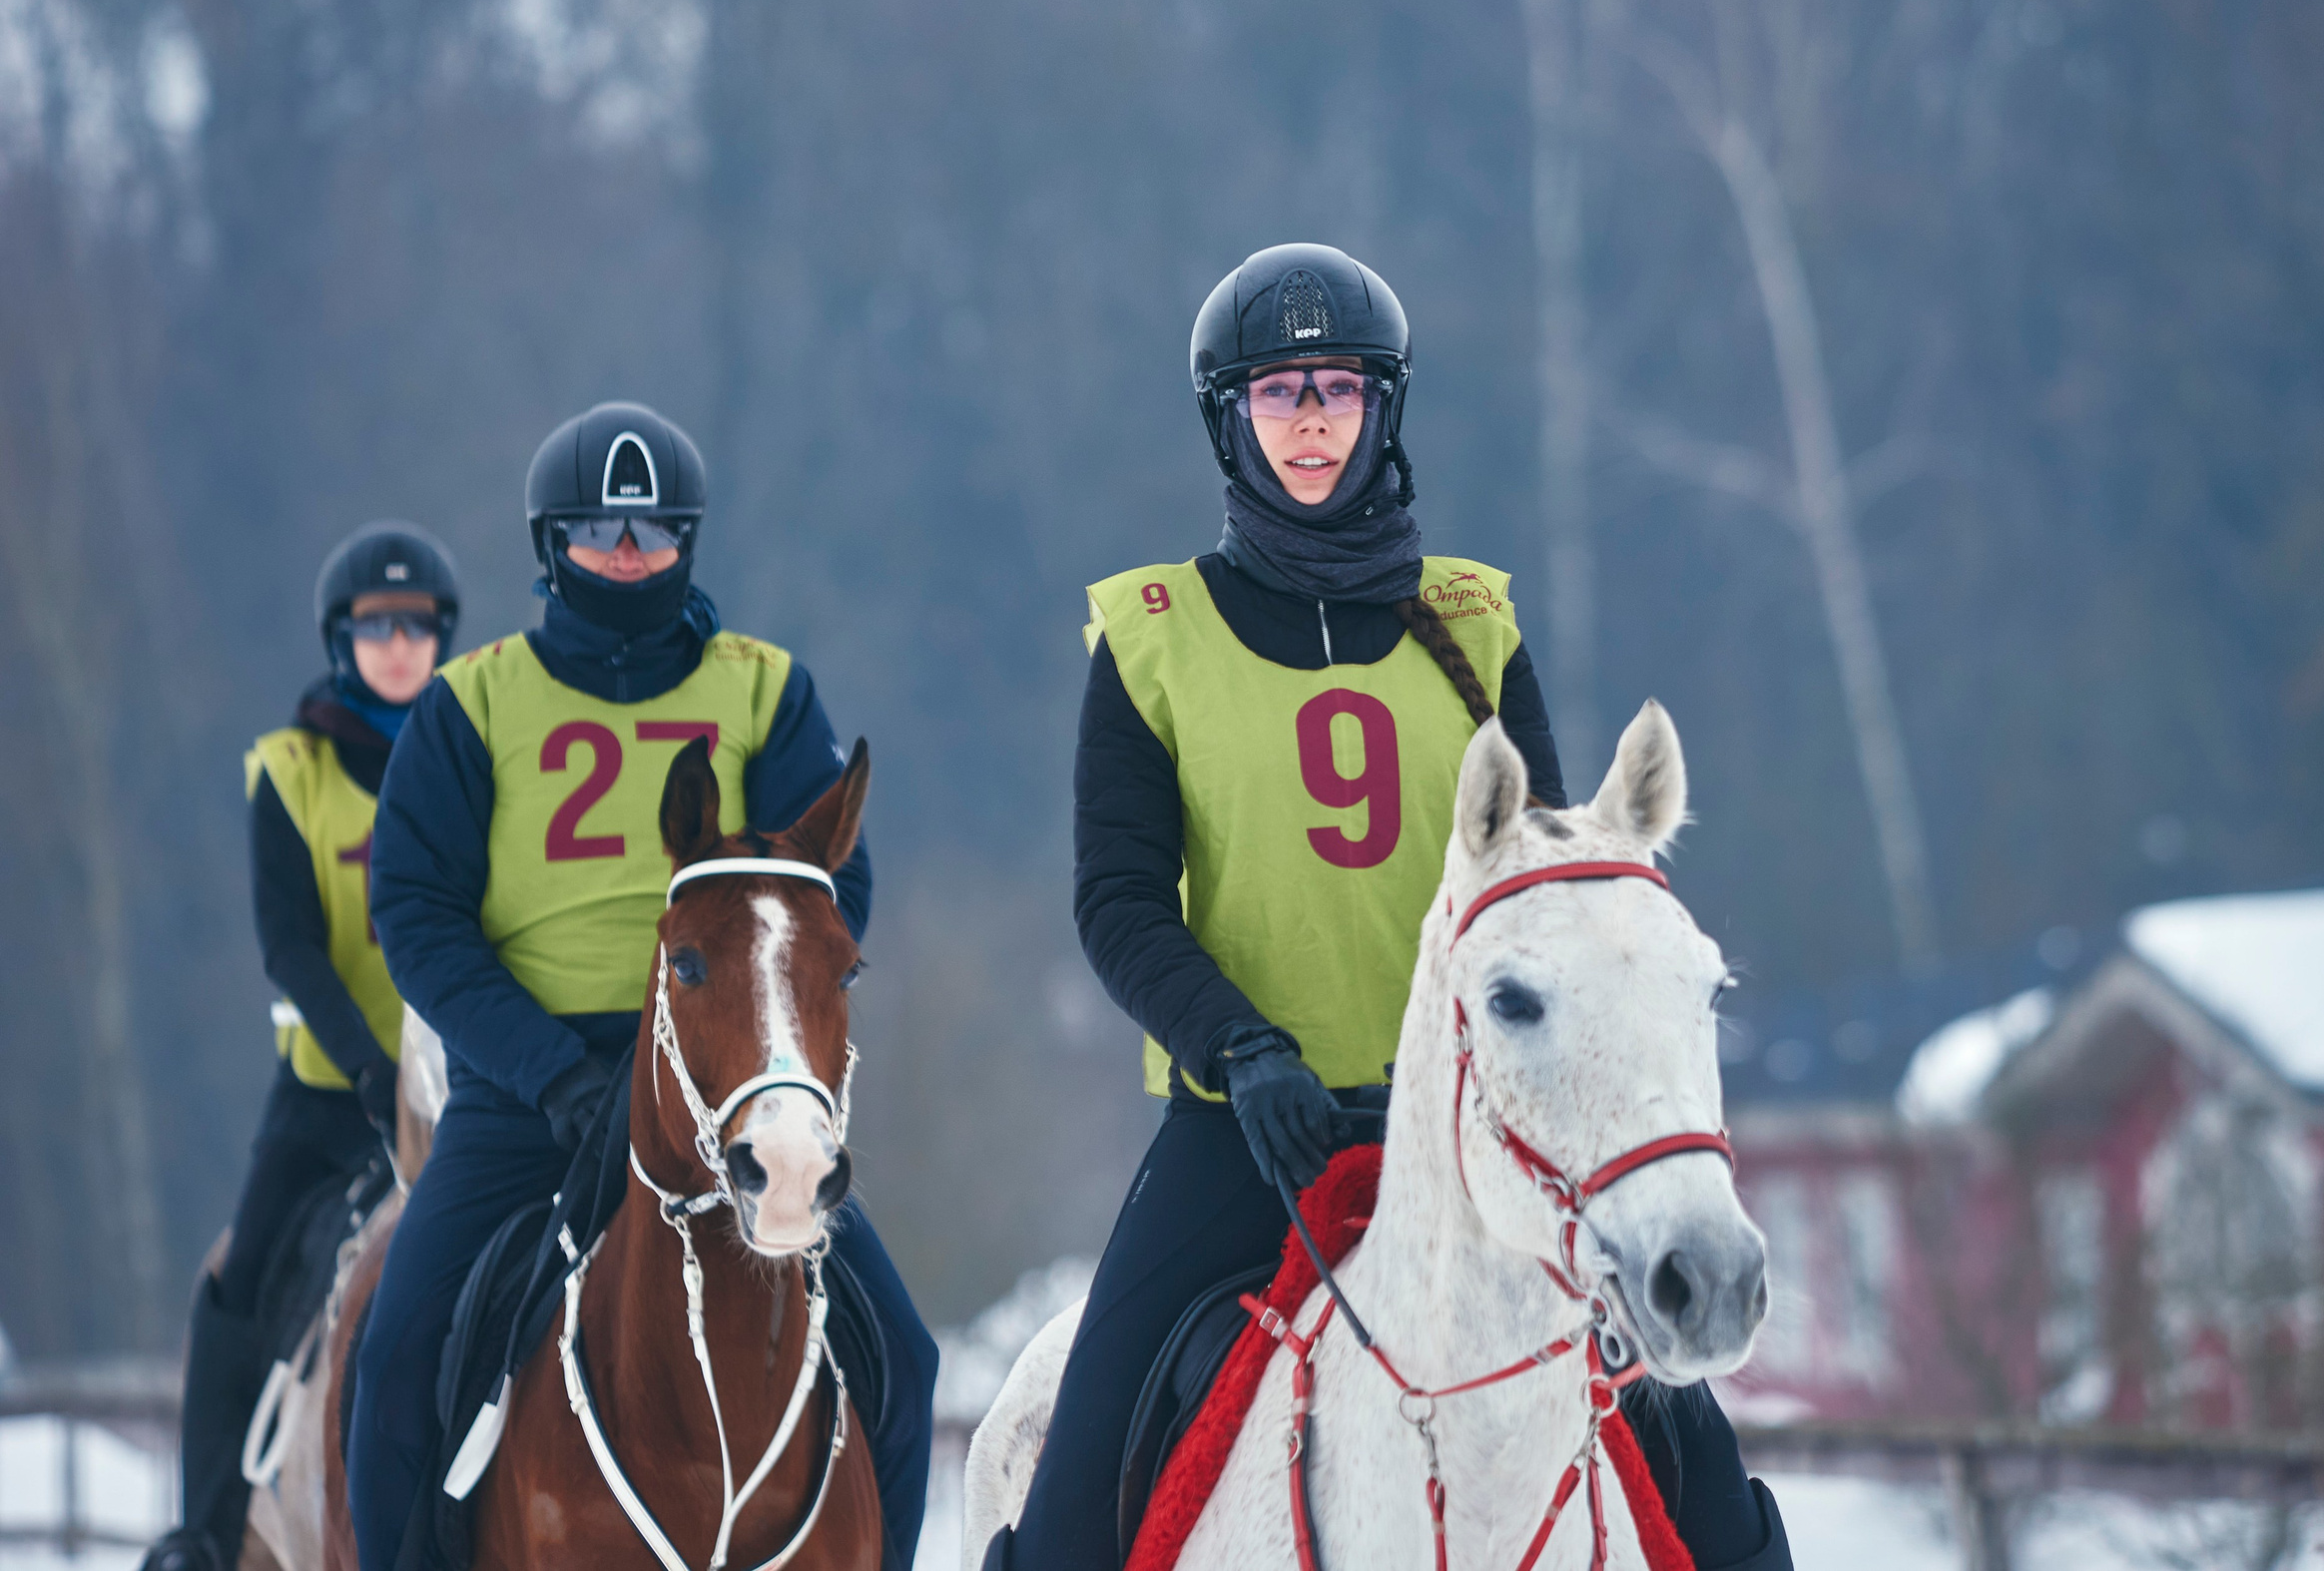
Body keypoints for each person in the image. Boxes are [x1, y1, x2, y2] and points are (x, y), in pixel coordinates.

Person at [995, 245, 1789, 1571]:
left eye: (1340, 388)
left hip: (1484, 1135)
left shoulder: (1473, 626)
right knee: (1072, 1508)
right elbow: (1118, 898)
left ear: (1384, 409)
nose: (1311, 417)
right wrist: (1238, 1048)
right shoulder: (1152, 635)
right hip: (1242, 1134)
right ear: (1229, 419)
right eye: (1277, 390)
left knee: (1708, 1491)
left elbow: (1539, 887)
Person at [345, 403, 937, 1571]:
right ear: (548, 544)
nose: (626, 553)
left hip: (726, 1089)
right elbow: (413, 912)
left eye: (652, 532)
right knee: (399, 1351)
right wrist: (547, 1070)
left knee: (903, 1354)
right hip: (533, 1096)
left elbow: (829, 891)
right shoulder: (471, 707)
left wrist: (745, 1033)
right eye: (599, 530)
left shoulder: (767, 691)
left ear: (688, 543)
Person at [140, 523, 463, 1571]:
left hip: (466, 1087)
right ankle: (201, 1529)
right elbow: (289, 945)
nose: (401, 645)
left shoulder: (479, 765)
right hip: (330, 1096)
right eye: (378, 627)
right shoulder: (288, 772)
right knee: (236, 1287)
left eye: (417, 626)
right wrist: (368, 1065)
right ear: (342, 640)